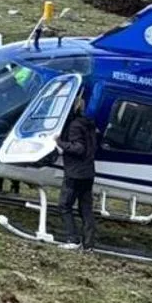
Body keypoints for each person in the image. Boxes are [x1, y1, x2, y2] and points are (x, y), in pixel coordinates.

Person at [55, 92, 98, 251]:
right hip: (88, 172)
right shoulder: (89, 124)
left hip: (75, 173)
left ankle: (72, 239)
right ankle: (89, 244)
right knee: (85, 209)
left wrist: (60, 142)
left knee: (64, 206)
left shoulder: (74, 125)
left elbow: (78, 148)